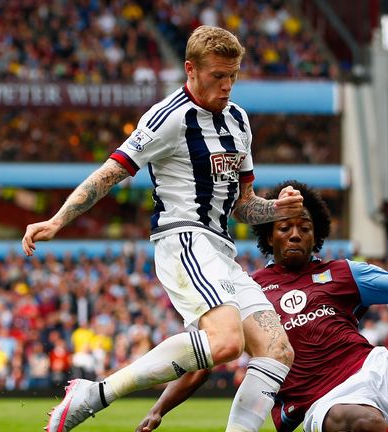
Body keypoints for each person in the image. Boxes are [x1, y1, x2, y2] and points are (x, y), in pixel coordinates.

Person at [21, 25, 303, 432]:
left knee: (277, 350)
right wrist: (58, 219)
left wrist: (277, 209)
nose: (227, 86)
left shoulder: (239, 120)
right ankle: (94, 395)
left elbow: (243, 207)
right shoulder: (167, 117)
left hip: (220, 249)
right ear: (191, 69)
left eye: (233, 76)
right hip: (183, 238)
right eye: (217, 76)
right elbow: (110, 173)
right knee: (226, 343)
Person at [134, 180, 388, 432]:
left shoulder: (344, 273)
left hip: (373, 368)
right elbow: (202, 361)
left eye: (304, 228)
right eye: (284, 228)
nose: (294, 234)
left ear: (316, 235)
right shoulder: (245, 290)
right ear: (267, 238)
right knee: (361, 422)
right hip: (320, 402)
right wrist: (159, 409)